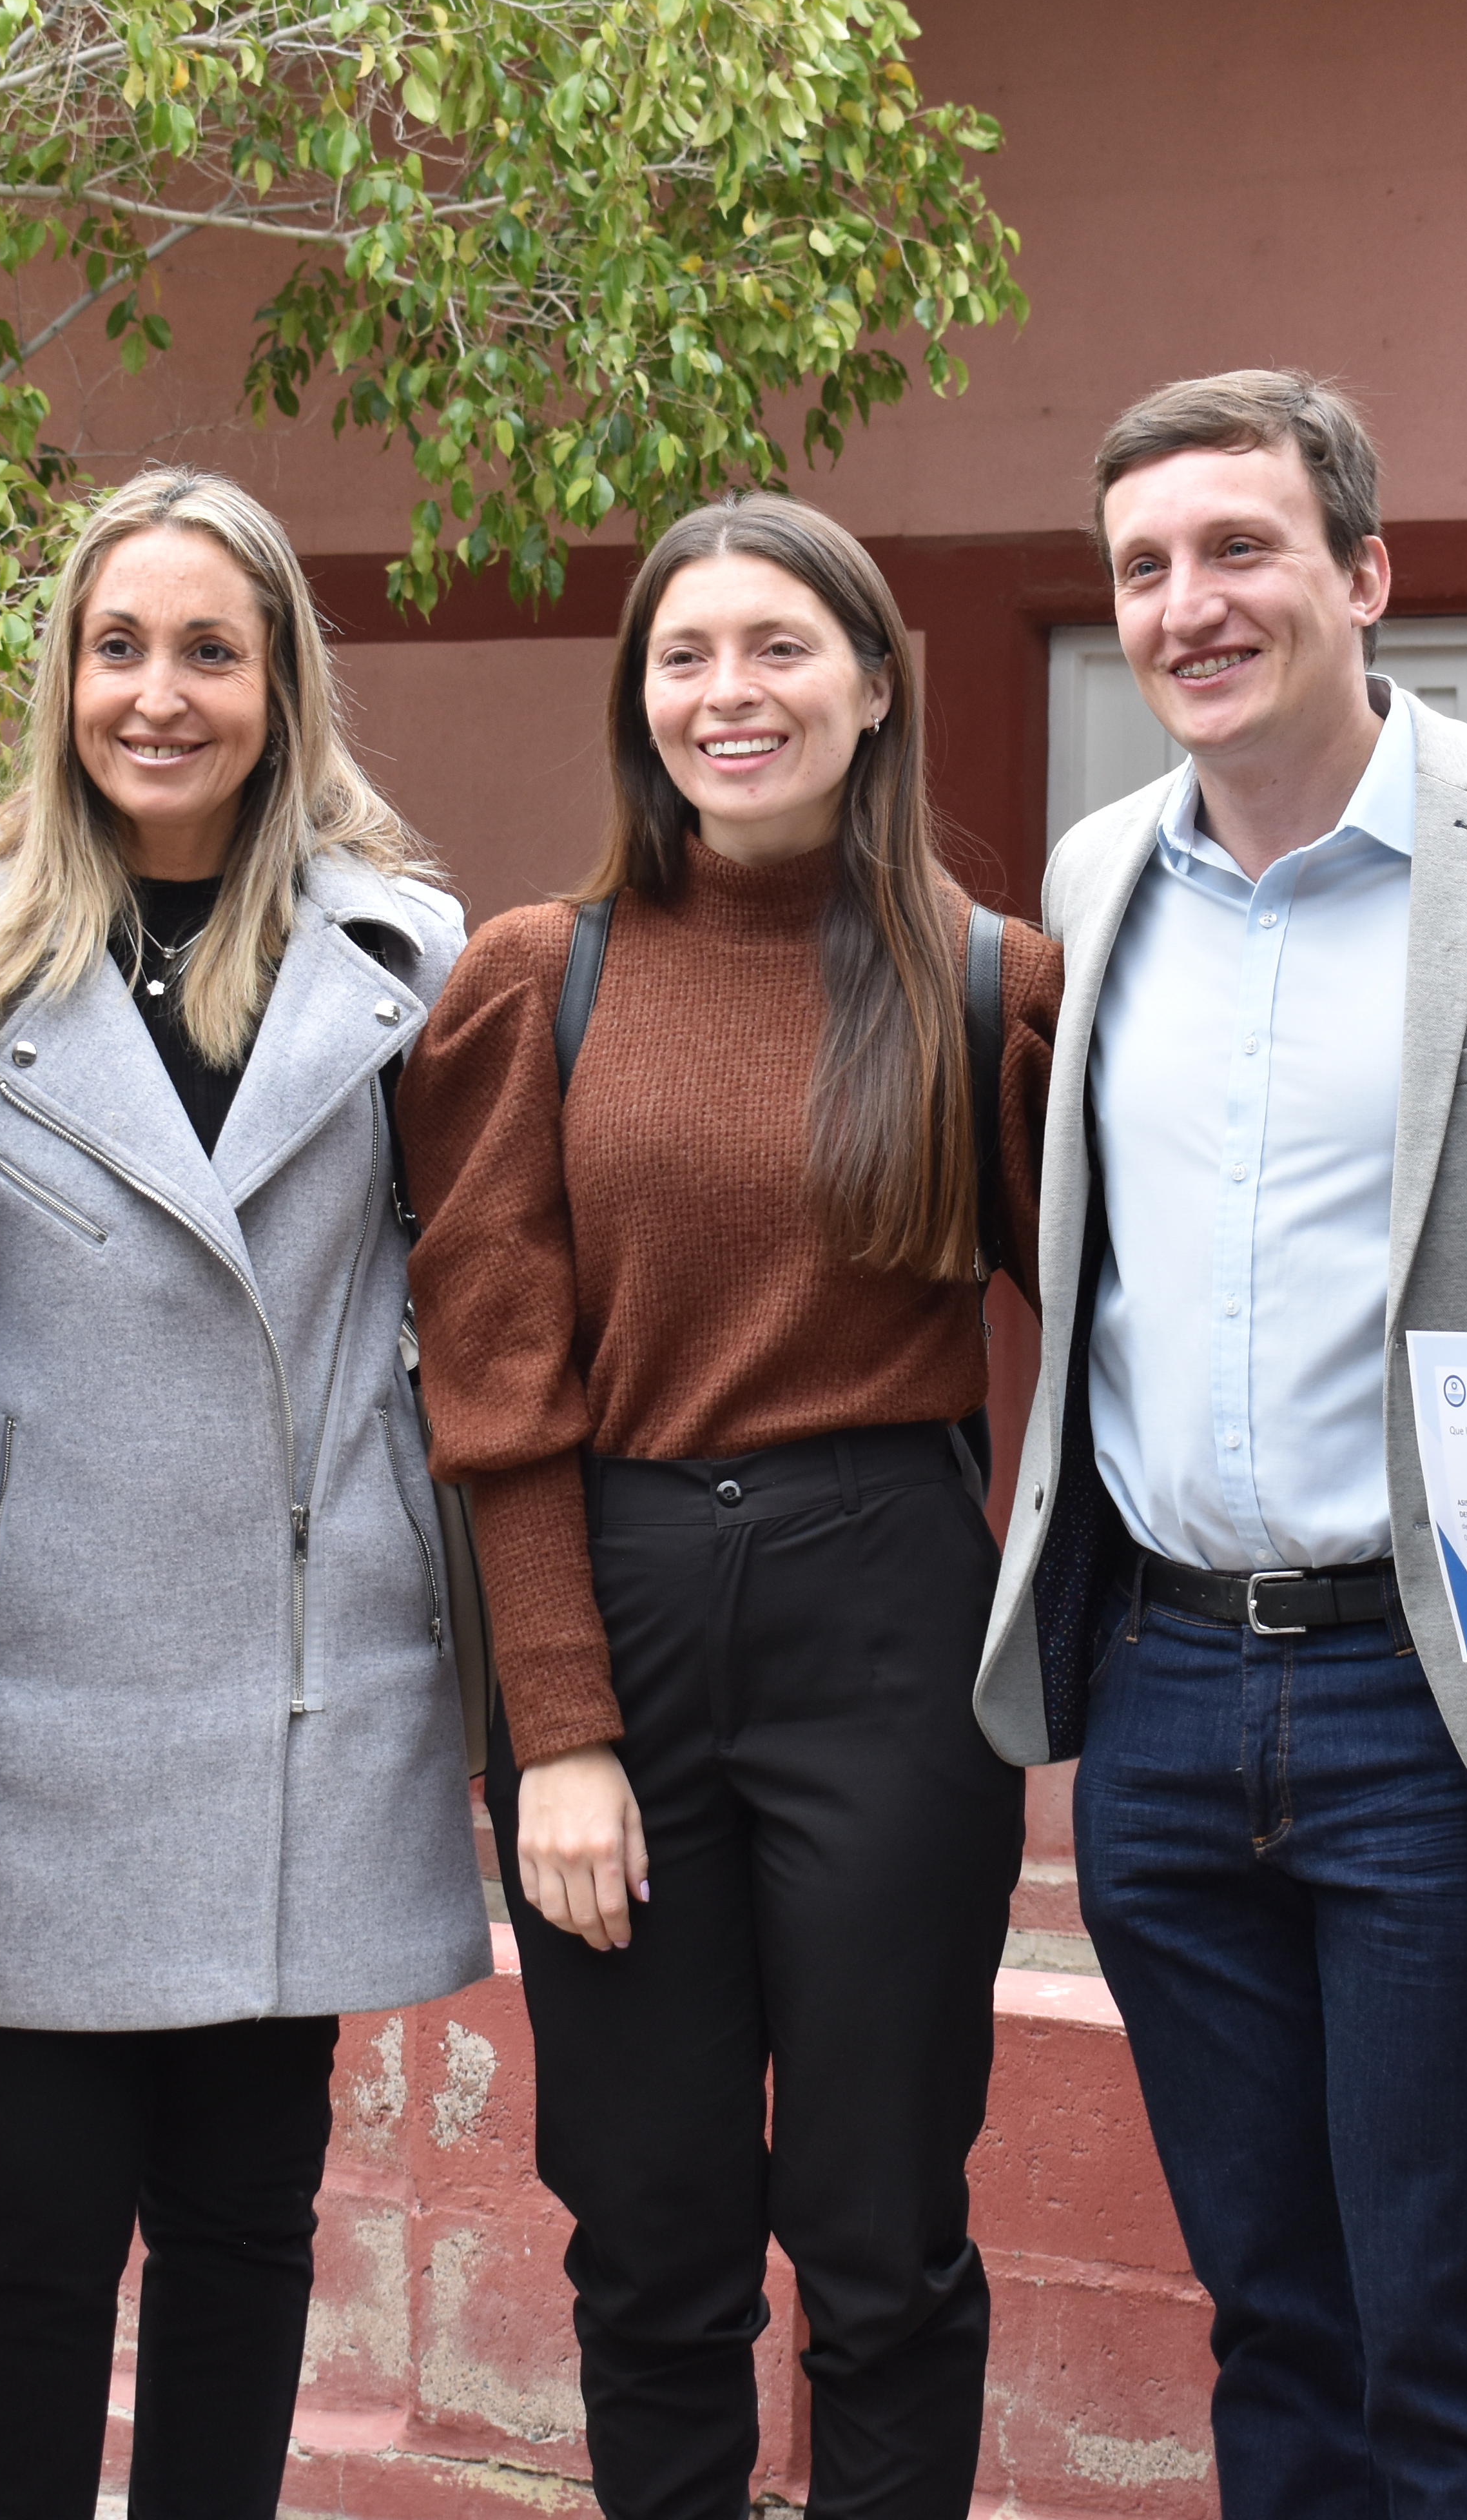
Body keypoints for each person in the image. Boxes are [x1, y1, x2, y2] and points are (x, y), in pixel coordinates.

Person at [967, 372, 1467, 2512]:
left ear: (1363, 576)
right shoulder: (1100, 880)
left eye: (1241, 549)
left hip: (1434, 1691)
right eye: (1146, 569)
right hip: (1164, 1701)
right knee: (1270, 2314)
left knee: (1444, 2321)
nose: (1191, 605)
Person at [0, 466, 489, 2519]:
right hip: (28, 1723)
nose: (161, 693)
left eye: (212, 650)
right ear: (62, 680)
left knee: (245, 2230)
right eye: (121, 648)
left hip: (305, 1700)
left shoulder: (417, 958)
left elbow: (472, 1330)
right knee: (22, 2240)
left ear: (286, 685)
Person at [397, 493, 1056, 2520]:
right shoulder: (539, 981)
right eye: (684, 657)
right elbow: (497, 1384)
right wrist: (561, 1731)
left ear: (874, 689)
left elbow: (1131, 1327)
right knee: (653, 2239)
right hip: (626, 1599)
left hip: (892, 1622)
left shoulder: (989, 985)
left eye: (777, 648)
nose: (727, 693)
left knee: (883, 2239)